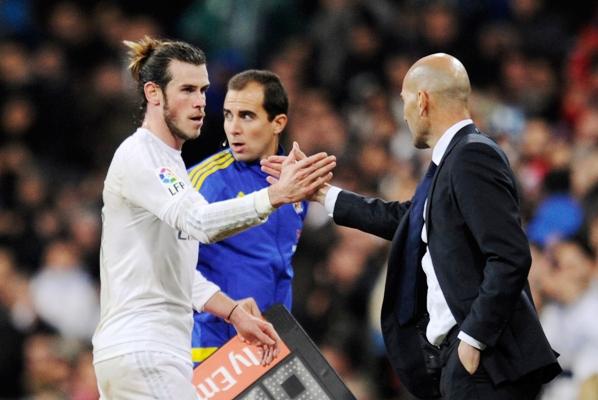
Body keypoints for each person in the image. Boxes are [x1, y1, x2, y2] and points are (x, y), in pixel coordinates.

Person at [262, 53, 561, 399]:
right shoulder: (451, 161)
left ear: (422, 100)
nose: (403, 114)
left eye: (404, 102)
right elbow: (404, 219)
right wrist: (323, 193)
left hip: (483, 364)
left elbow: (510, 256)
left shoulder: (472, 155)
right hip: (461, 362)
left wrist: (473, 339)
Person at [92, 37, 336, 400]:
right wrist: (274, 195)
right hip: (146, 348)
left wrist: (234, 311)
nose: (201, 102)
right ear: (154, 93)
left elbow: (176, 270)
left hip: (146, 351)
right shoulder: (142, 155)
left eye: (204, 90)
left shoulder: (169, 163)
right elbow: (201, 223)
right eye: (187, 90)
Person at [187, 69, 307, 364]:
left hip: (272, 348)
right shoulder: (205, 183)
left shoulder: (296, 182)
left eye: (247, 116)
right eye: (228, 115)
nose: (233, 128)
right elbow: (168, 267)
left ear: (278, 123)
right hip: (212, 350)